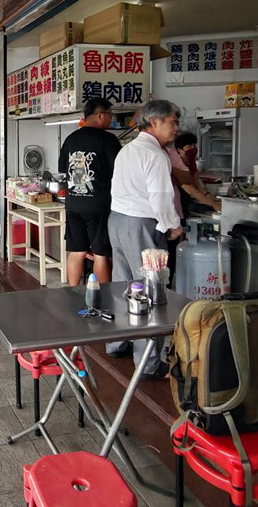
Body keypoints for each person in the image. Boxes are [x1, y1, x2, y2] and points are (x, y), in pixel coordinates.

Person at [108, 100, 183, 378]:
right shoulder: (155, 155)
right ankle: (149, 364)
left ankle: (118, 342)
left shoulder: (128, 150)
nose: (176, 127)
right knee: (152, 292)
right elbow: (161, 197)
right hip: (142, 224)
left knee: (124, 285)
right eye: (173, 122)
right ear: (155, 122)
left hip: (117, 221)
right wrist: (172, 225)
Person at [58, 97, 122, 286]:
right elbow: (120, 170)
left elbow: (62, 169)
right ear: (100, 115)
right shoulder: (108, 140)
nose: (111, 119)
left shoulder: (71, 139)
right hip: (99, 205)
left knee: (77, 251)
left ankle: (72, 291)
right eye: (110, 115)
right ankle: (104, 295)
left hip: (74, 204)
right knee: (101, 253)